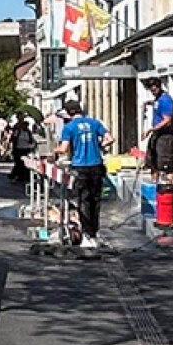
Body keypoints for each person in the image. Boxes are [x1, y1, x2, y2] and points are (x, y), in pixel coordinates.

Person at [57, 99, 113, 250]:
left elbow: (63, 148)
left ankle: (87, 235)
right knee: (95, 201)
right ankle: (94, 234)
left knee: (83, 201)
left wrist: (54, 151)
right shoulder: (94, 123)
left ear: (69, 113)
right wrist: (100, 146)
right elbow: (110, 139)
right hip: (97, 166)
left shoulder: (69, 127)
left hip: (80, 167)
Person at [142, 76, 173, 174]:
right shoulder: (158, 99)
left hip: (165, 135)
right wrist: (149, 103)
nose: (153, 92)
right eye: (151, 90)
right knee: (152, 162)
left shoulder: (166, 100)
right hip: (156, 134)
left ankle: (168, 182)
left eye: (154, 89)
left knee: (164, 164)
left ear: (159, 87)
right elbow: (158, 105)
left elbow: (167, 120)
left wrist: (152, 129)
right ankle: (155, 181)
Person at [10, 114, 38, 186]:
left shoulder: (28, 132)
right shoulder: (18, 131)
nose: (25, 127)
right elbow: (13, 139)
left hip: (26, 149)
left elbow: (32, 140)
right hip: (18, 149)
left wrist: (32, 147)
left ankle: (24, 178)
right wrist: (13, 149)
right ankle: (15, 176)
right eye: (24, 125)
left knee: (25, 165)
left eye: (26, 125)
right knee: (18, 164)